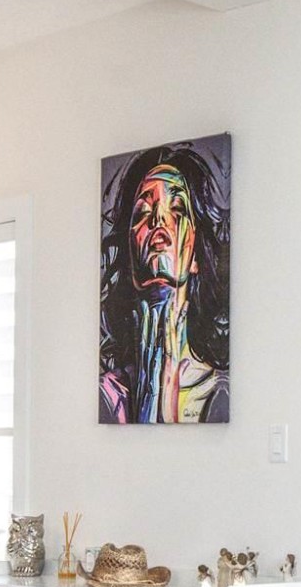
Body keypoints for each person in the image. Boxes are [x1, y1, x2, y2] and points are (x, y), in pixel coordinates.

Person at [98, 140, 230, 423]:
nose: (158, 219)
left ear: (195, 258)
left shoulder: (219, 394)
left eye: (178, 209)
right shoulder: (107, 394)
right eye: (143, 212)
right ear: (130, 256)